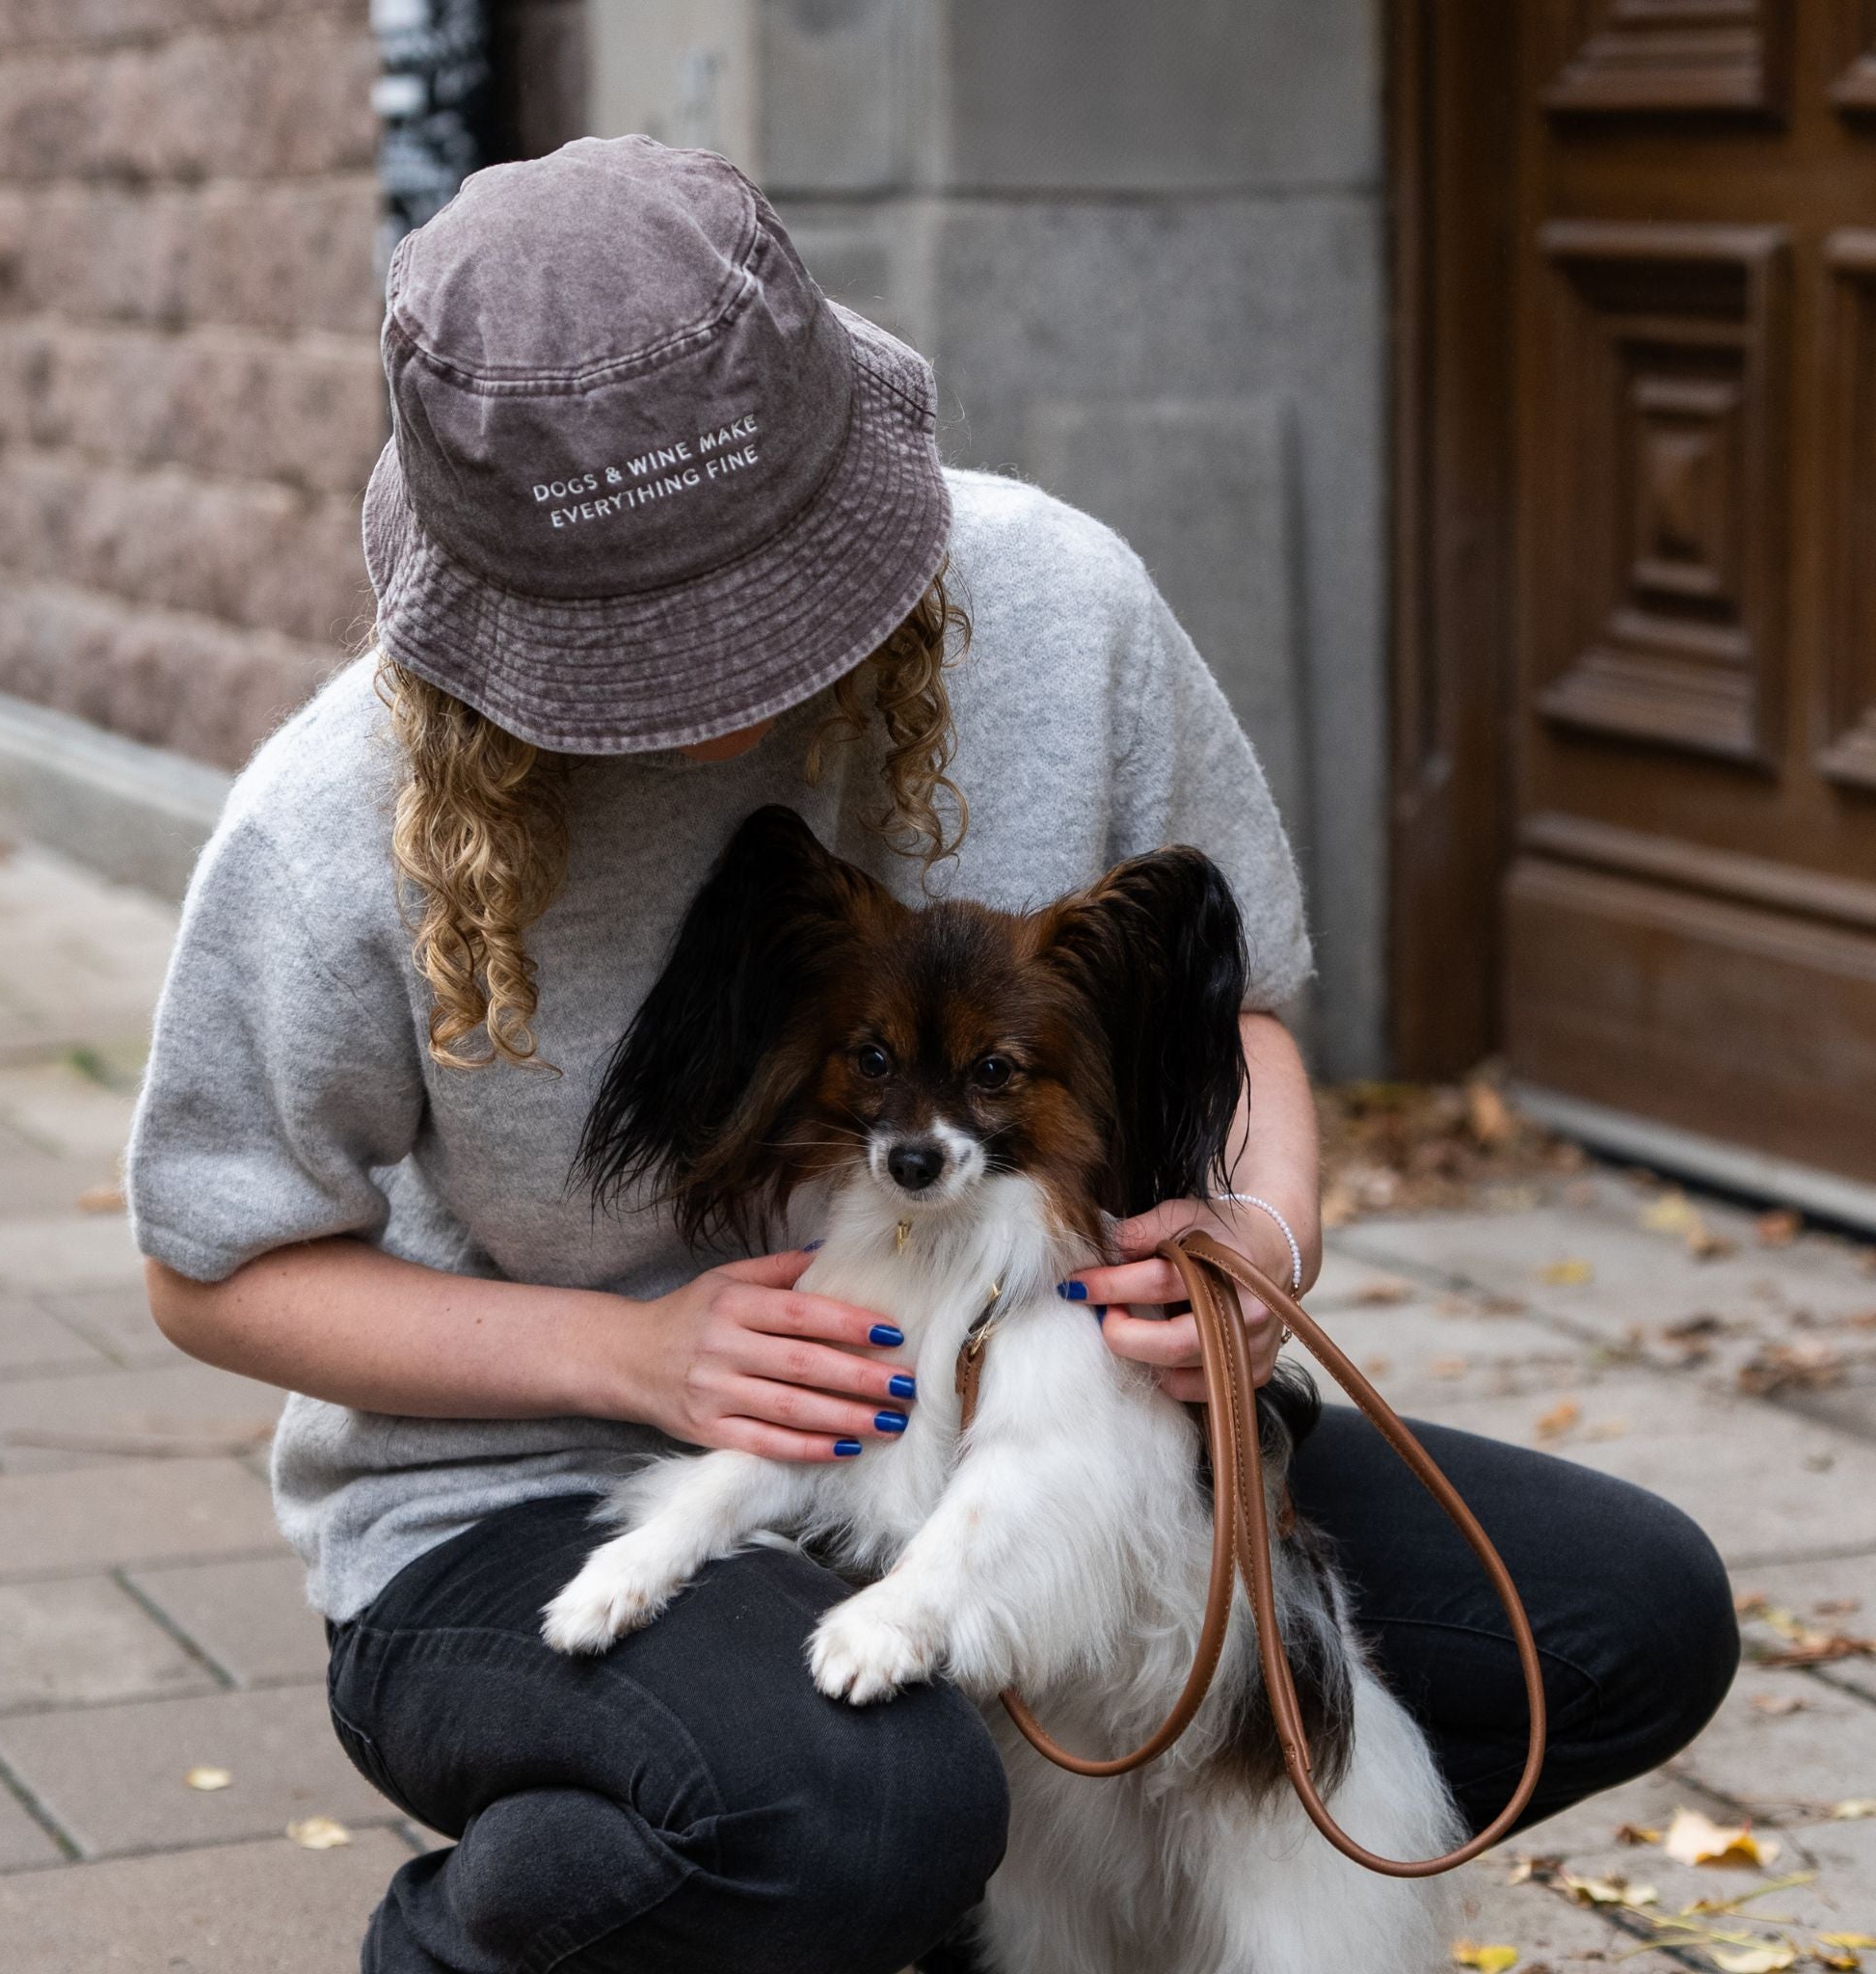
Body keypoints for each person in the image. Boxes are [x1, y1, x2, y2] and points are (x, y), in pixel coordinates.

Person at [126, 137, 1737, 1974]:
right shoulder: (336, 816)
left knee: (1616, 1614)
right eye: (639, 648)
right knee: (858, 1809)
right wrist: (628, 1350)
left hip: (1055, 1417)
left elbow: (1245, 1017)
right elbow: (211, 1268)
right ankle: (501, 1946)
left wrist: (1259, 1242)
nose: (725, 698)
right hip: (531, 1491)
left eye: (761, 598)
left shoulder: (1062, 603)